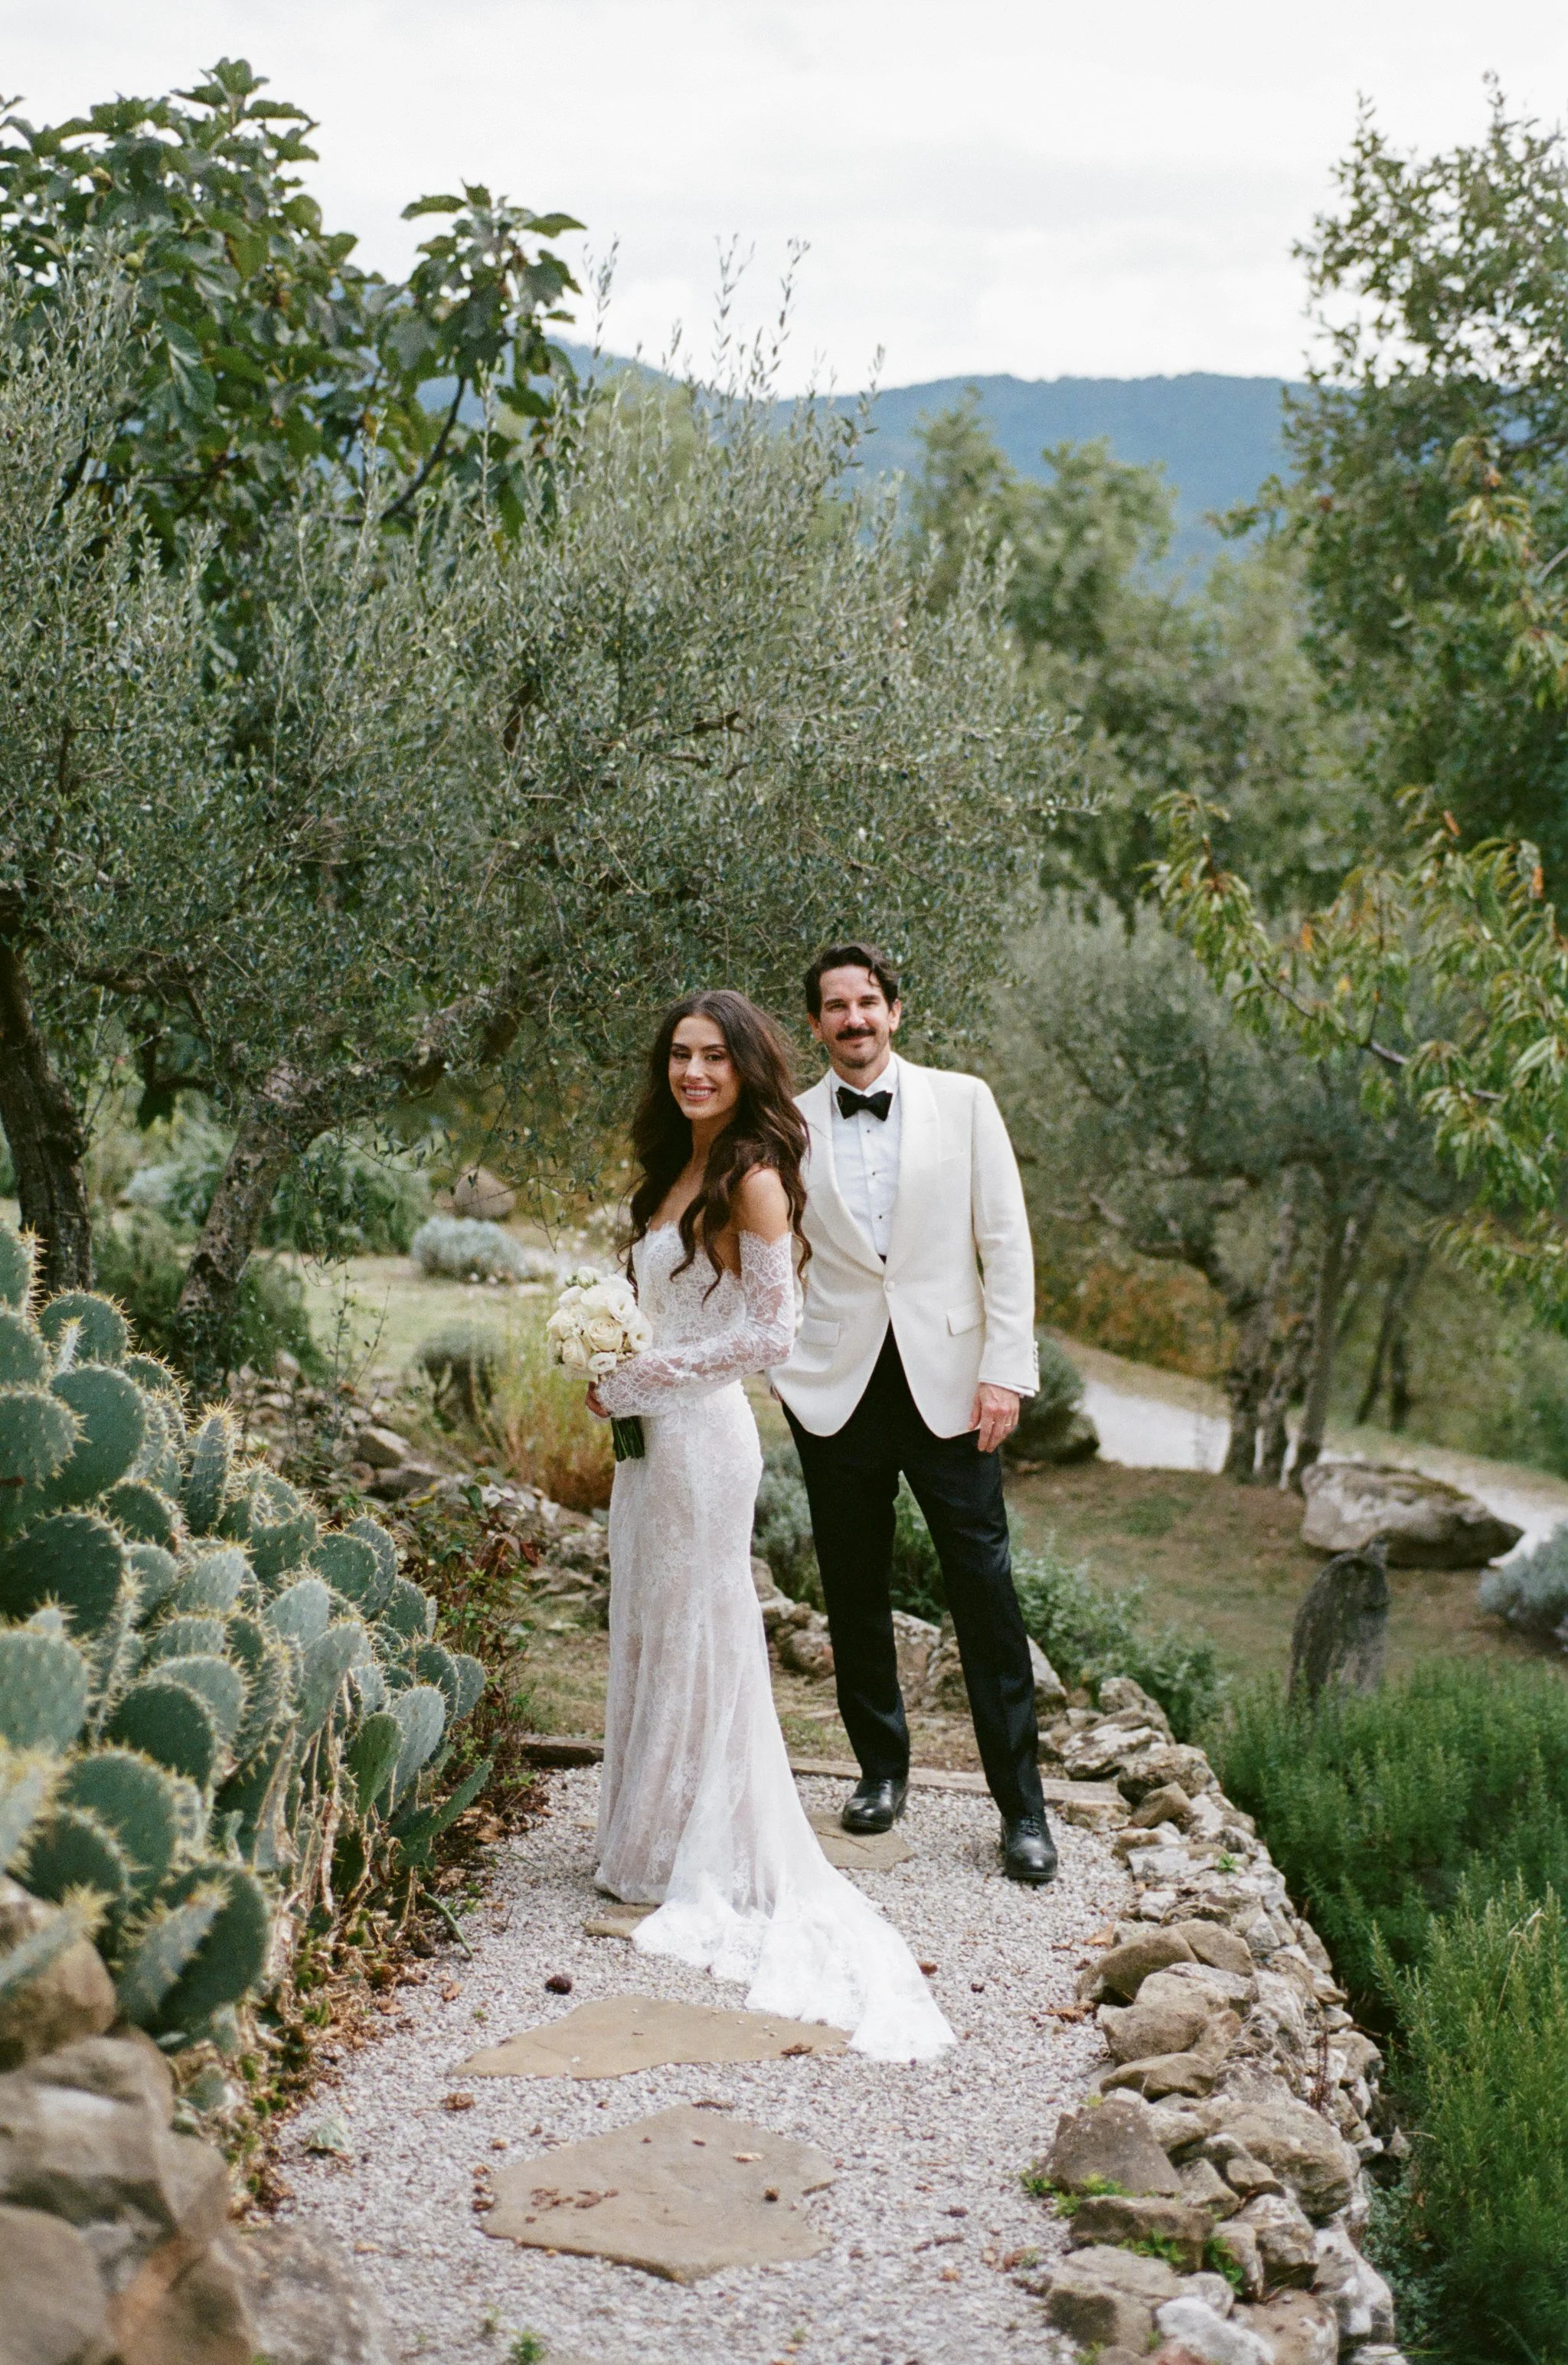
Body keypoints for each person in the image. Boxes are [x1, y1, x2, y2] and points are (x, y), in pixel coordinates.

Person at [587, 988, 953, 2061]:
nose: (693, 1072)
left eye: (713, 1057)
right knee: (650, 1620)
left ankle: (680, 1853)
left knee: (701, 1623)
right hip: (652, 1436)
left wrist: (644, 1372)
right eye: (680, 1055)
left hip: (703, 1439)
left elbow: (769, 1332)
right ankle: (640, 1835)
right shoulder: (675, 1171)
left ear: (748, 1068)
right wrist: (607, 1361)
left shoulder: (751, 1175)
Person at [771, 944, 1057, 1886]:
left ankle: (1021, 1809)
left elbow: (1004, 1240)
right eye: (833, 1007)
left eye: (866, 1002)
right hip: (837, 1385)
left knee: (984, 1594)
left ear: (895, 1010)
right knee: (851, 1590)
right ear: (814, 1024)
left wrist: (1005, 1371)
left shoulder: (964, 1101)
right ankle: (877, 1773)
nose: (852, 1020)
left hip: (950, 1385)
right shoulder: (788, 1123)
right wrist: (783, 1365)